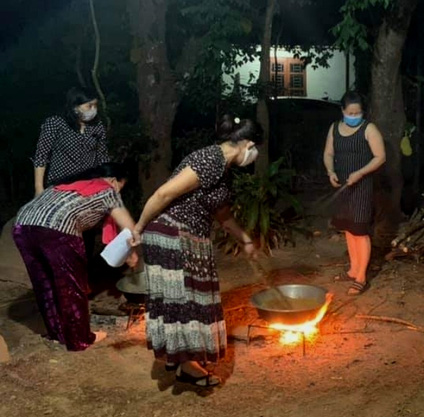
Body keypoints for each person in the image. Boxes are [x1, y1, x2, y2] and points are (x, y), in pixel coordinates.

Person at [134, 115, 262, 387]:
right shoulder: (209, 160)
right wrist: (139, 227)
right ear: (248, 144)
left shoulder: (222, 168)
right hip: (171, 235)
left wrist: (246, 240)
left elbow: (223, 216)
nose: (255, 156)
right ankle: (187, 366)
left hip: (186, 237)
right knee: (183, 301)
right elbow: (164, 194)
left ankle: (182, 358)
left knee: (185, 299)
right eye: (255, 149)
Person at [12, 163, 139, 351]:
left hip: (22, 225)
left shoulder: (67, 185)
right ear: (113, 180)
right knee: (71, 285)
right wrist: (133, 253)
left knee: (44, 283)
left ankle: (57, 333)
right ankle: (80, 339)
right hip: (57, 230)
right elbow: (129, 226)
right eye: (121, 186)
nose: (119, 191)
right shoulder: (107, 190)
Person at [323, 91, 386, 296]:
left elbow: (380, 157)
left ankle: (361, 277)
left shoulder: (369, 129)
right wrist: (331, 171)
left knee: (360, 230)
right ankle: (352, 269)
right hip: (342, 185)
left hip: (361, 186)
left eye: (357, 112)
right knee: (348, 229)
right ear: (342, 111)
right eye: (350, 112)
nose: (354, 115)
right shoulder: (334, 128)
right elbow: (328, 153)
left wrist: (360, 173)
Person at [33, 87, 109, 194]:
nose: (93, 110)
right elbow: (41, 155)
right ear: (75, 107)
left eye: (95, 105)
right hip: (61, 184)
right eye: (89, 106)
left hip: (89, 184)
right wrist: (38, 187)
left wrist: (107, 182)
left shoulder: (97, 125)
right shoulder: (55, 123)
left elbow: (103, 156)